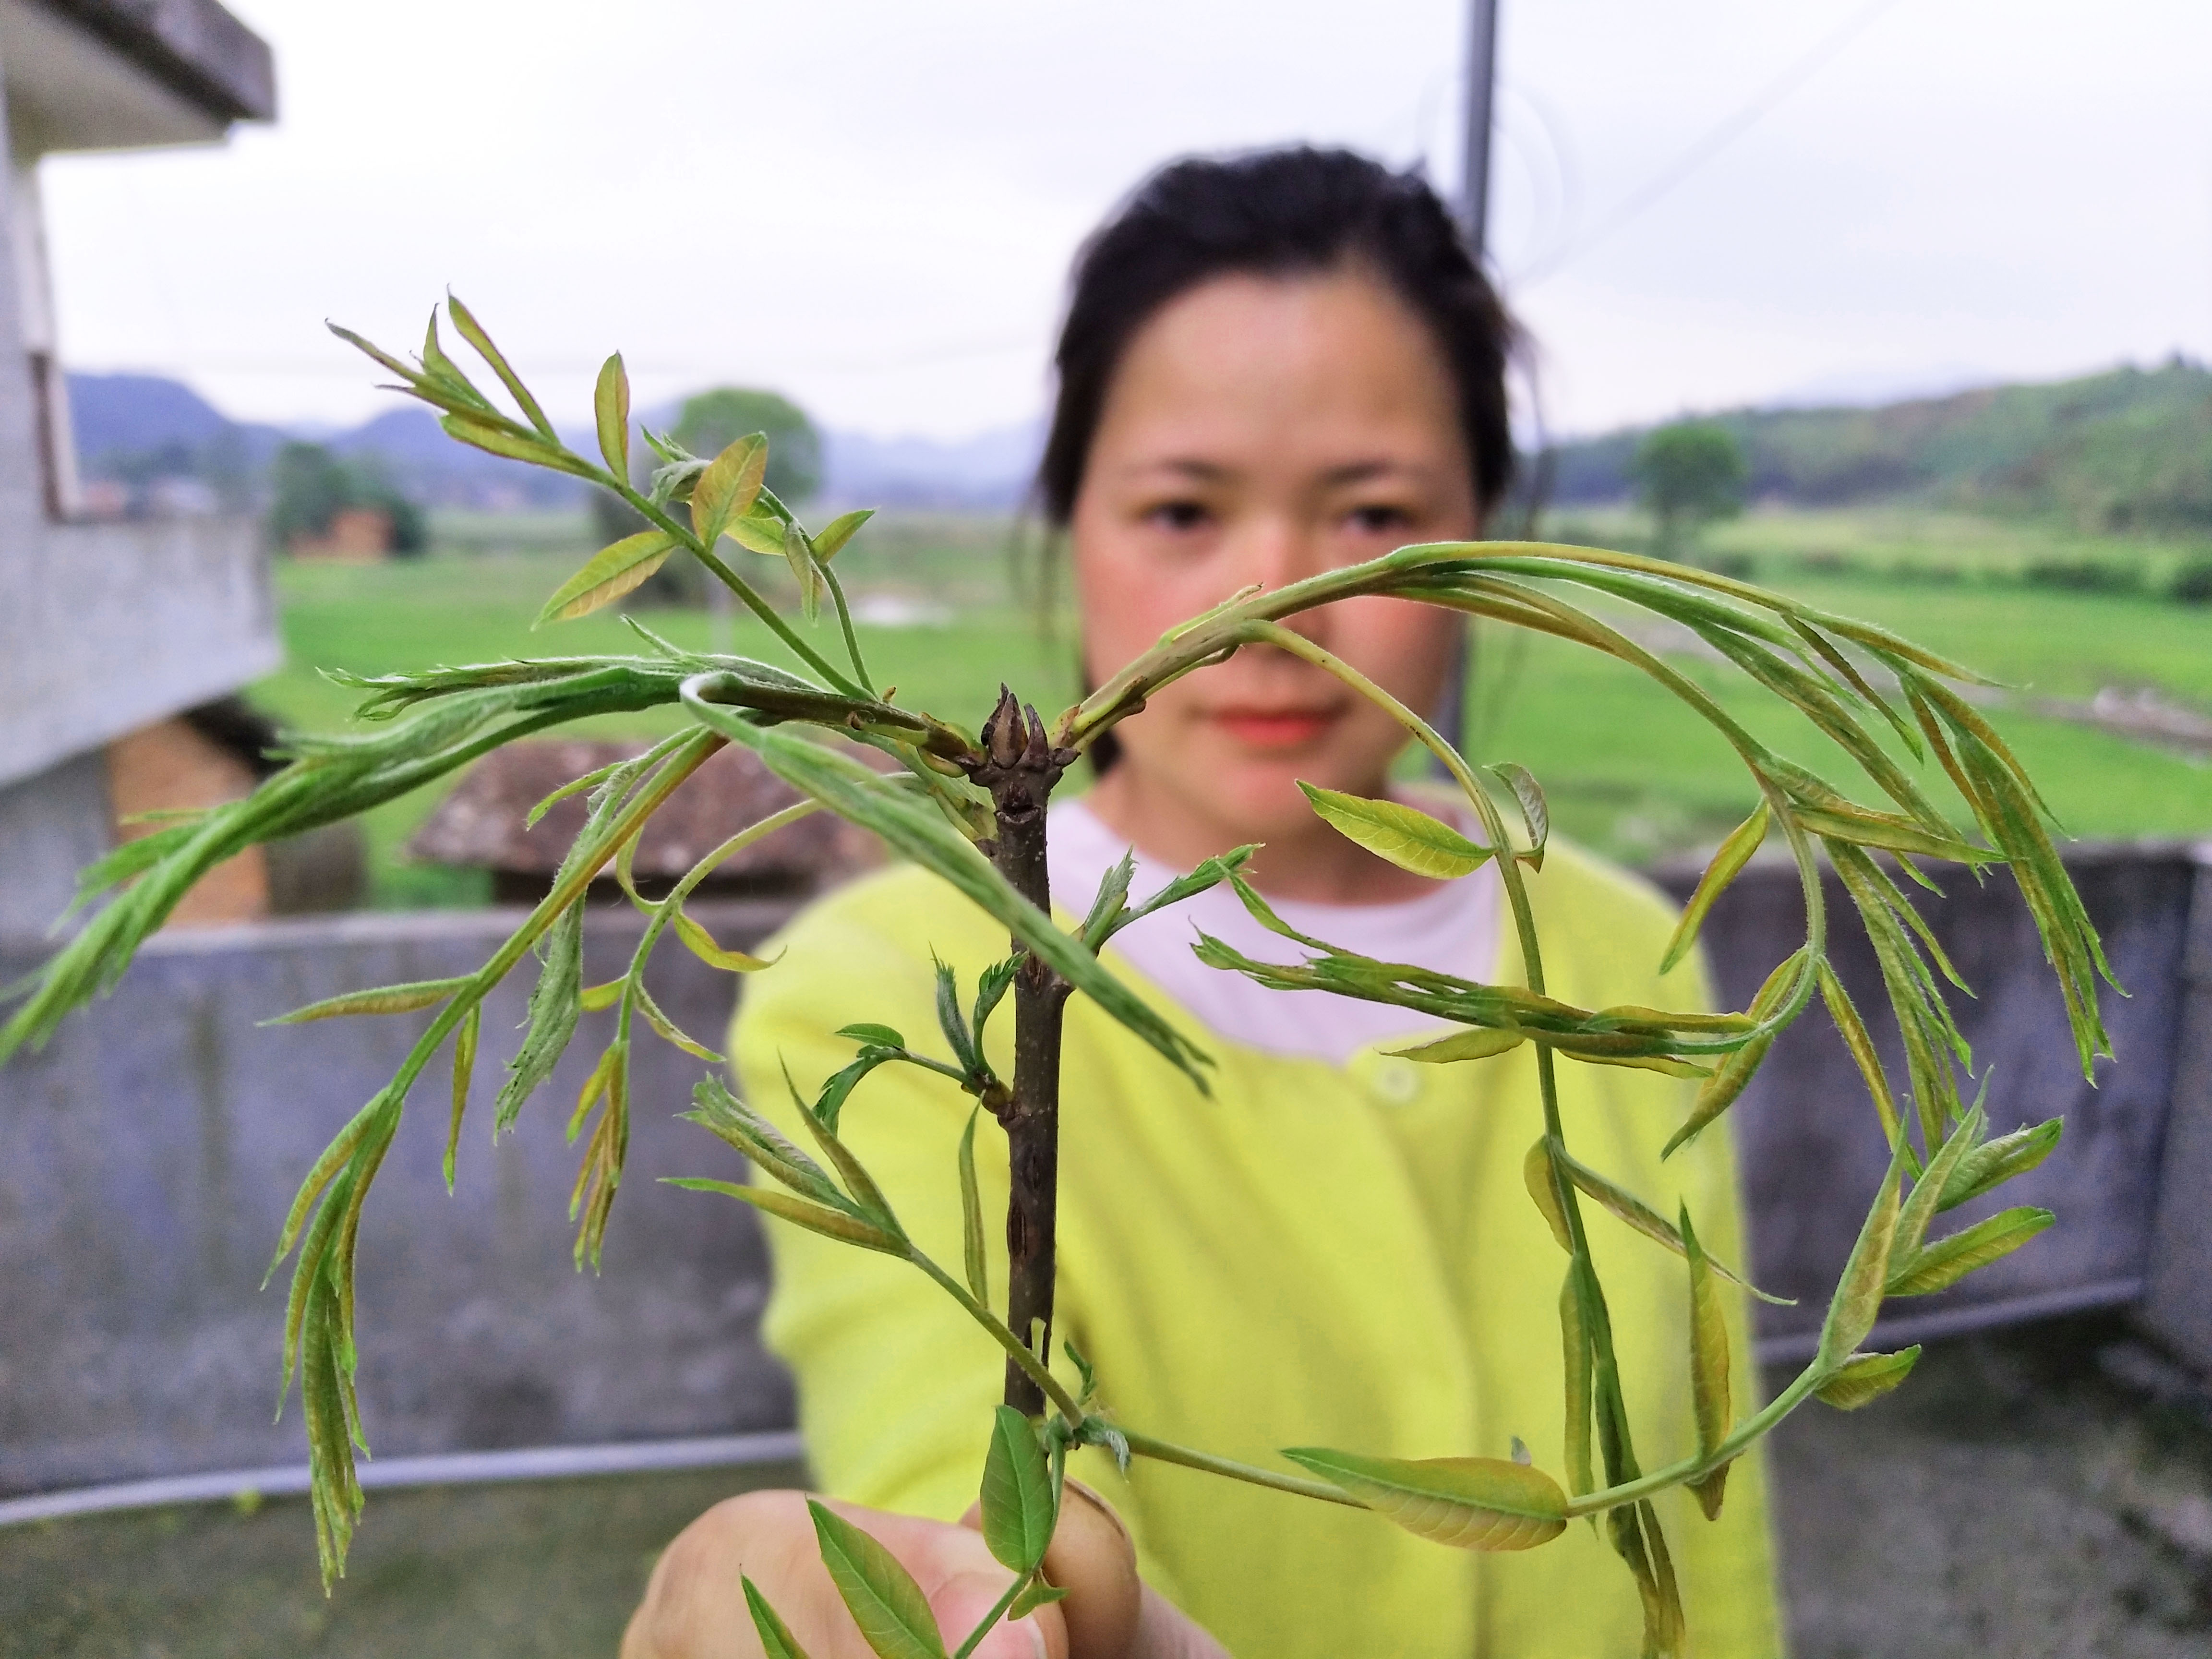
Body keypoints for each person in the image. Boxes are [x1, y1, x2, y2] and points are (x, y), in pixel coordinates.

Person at [625, 147, 1782, 1659]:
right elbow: (945, 1479)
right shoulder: (880, 985)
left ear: (1492, 544)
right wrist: (967, 1606)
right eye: (1183, 513)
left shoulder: (1636, 955)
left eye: (1373, 515)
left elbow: (1713, 1539)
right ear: (1072, 522)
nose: (1273, 617)